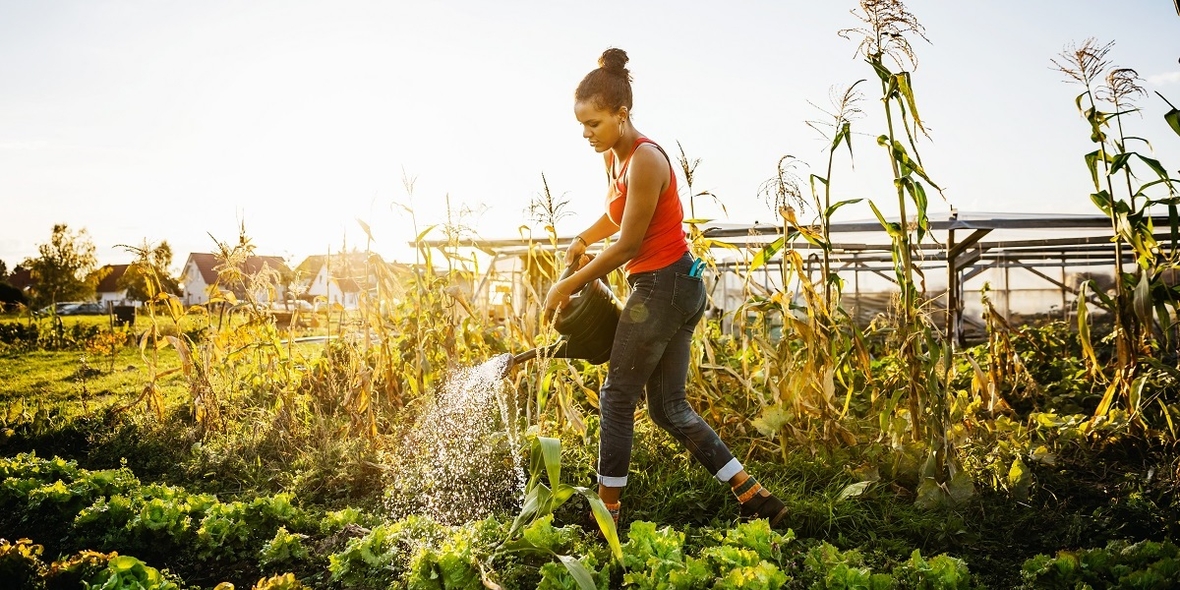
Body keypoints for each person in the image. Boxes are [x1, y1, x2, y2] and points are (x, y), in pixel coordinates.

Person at [543, 48, 788, 528]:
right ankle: (756, 497)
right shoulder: (615, 160)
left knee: (616, 396)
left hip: (664, 287)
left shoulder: (646, 160)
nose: (586, 134)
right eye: (582, 125)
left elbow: (630, 243)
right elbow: (617, 216)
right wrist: (581, 239)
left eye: (593, 123)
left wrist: (566, 285)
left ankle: (606, 514)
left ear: (621, 114)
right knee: (668, 408)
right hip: (671, 286)